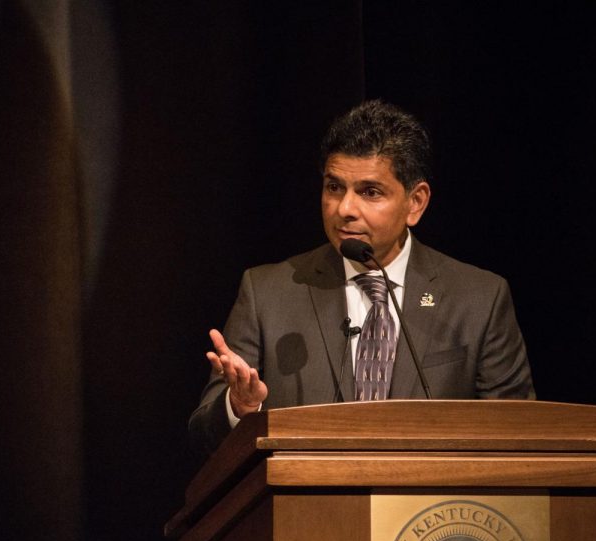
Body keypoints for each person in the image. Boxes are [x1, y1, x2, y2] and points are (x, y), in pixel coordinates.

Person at [189, 100, 535, 456]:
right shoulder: (267, 293)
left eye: (370, 192)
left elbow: (520, 437)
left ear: (415, 202)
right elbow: (203, 434)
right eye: (334, 187)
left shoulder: (479, 299)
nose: (345, 209)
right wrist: (240, 408)